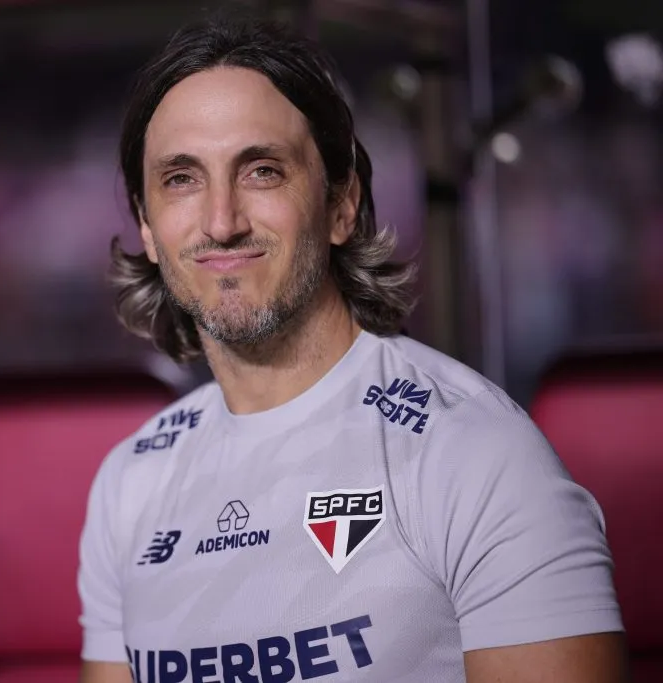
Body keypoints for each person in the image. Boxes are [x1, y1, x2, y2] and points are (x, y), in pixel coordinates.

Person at [78, 13, 628, 683]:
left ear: (342, 204)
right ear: (147, 225)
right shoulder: (130, 483)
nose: (221, 221)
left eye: (262, 171)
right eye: (181, 179)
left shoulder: (473, 453)